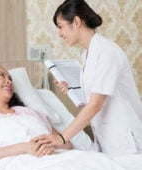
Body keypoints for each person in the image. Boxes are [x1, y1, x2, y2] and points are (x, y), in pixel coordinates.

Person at [34, 0, 142, 156]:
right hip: (107, 138)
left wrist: (62, 137)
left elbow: (95, 104)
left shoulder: (106, 51)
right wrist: (73, 89)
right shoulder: (87, 54)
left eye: (60, 26)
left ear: (76, 22)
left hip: (126, 139)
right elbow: (95, 96)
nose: (59, 33)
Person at [0, 64, 73, 168]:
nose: (9, 81)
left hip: (57, 160)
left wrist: (50, 146)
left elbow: (67, 144)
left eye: (10, 78)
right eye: (1, 75)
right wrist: (24, 148)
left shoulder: (30, 113)